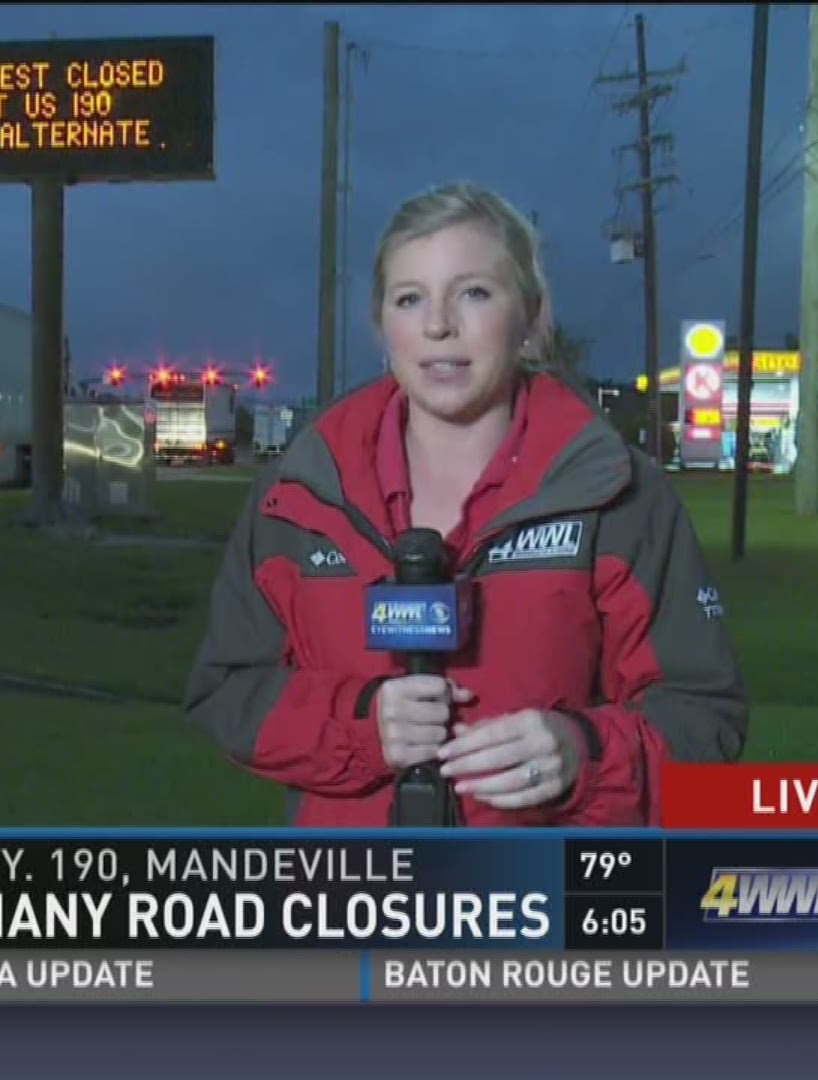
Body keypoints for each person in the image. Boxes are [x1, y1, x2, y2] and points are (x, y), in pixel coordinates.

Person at [183, 181, 747, 828]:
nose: (437, 325)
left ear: (531, 319)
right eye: (409, 298)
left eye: (473, 293)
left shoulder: (616, 495)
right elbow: (227, 691)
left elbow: (705, 719)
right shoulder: (300, 497)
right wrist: (361, 724)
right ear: (381, 325)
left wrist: (583, 755)